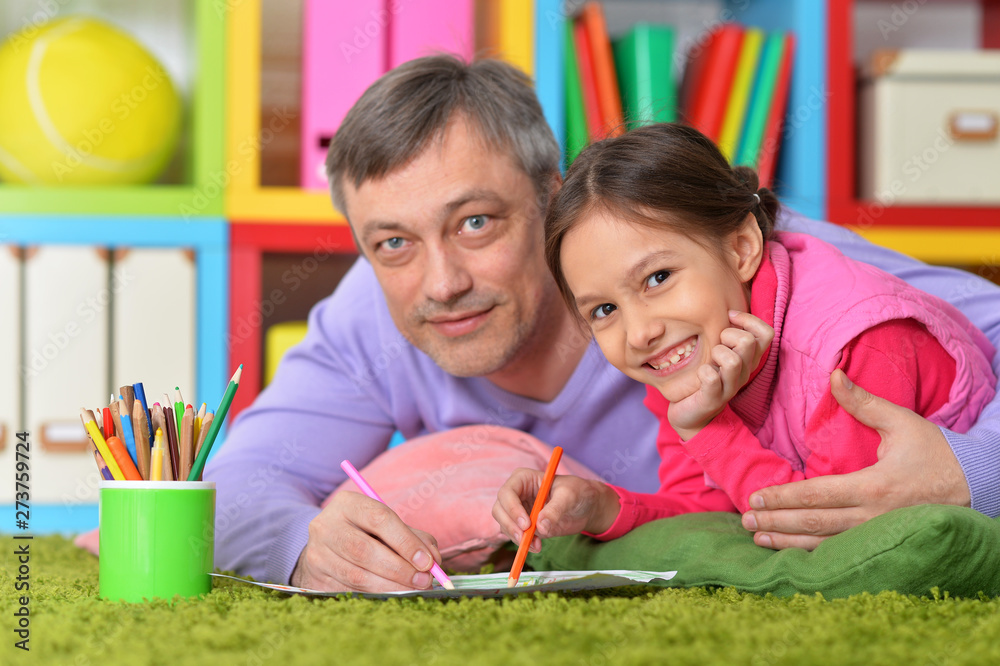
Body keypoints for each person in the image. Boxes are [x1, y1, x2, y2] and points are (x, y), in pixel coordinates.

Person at [204, 55, 1000, 593]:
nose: (441, 282)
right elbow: (231, 488)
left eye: (477, 222)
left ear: (553, 196)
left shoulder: (738, 255)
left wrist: (971, 472)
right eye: (392, 243)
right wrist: (308, 547)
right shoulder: (369, 318)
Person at [492, 123, 995, 547]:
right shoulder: (685, 353)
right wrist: (600, 506)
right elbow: (710, 511)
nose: (640, 332)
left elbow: (823, 531)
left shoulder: (850, 344)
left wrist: (705, 430)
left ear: (741, 248)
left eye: (658, 278)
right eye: (604, 309)